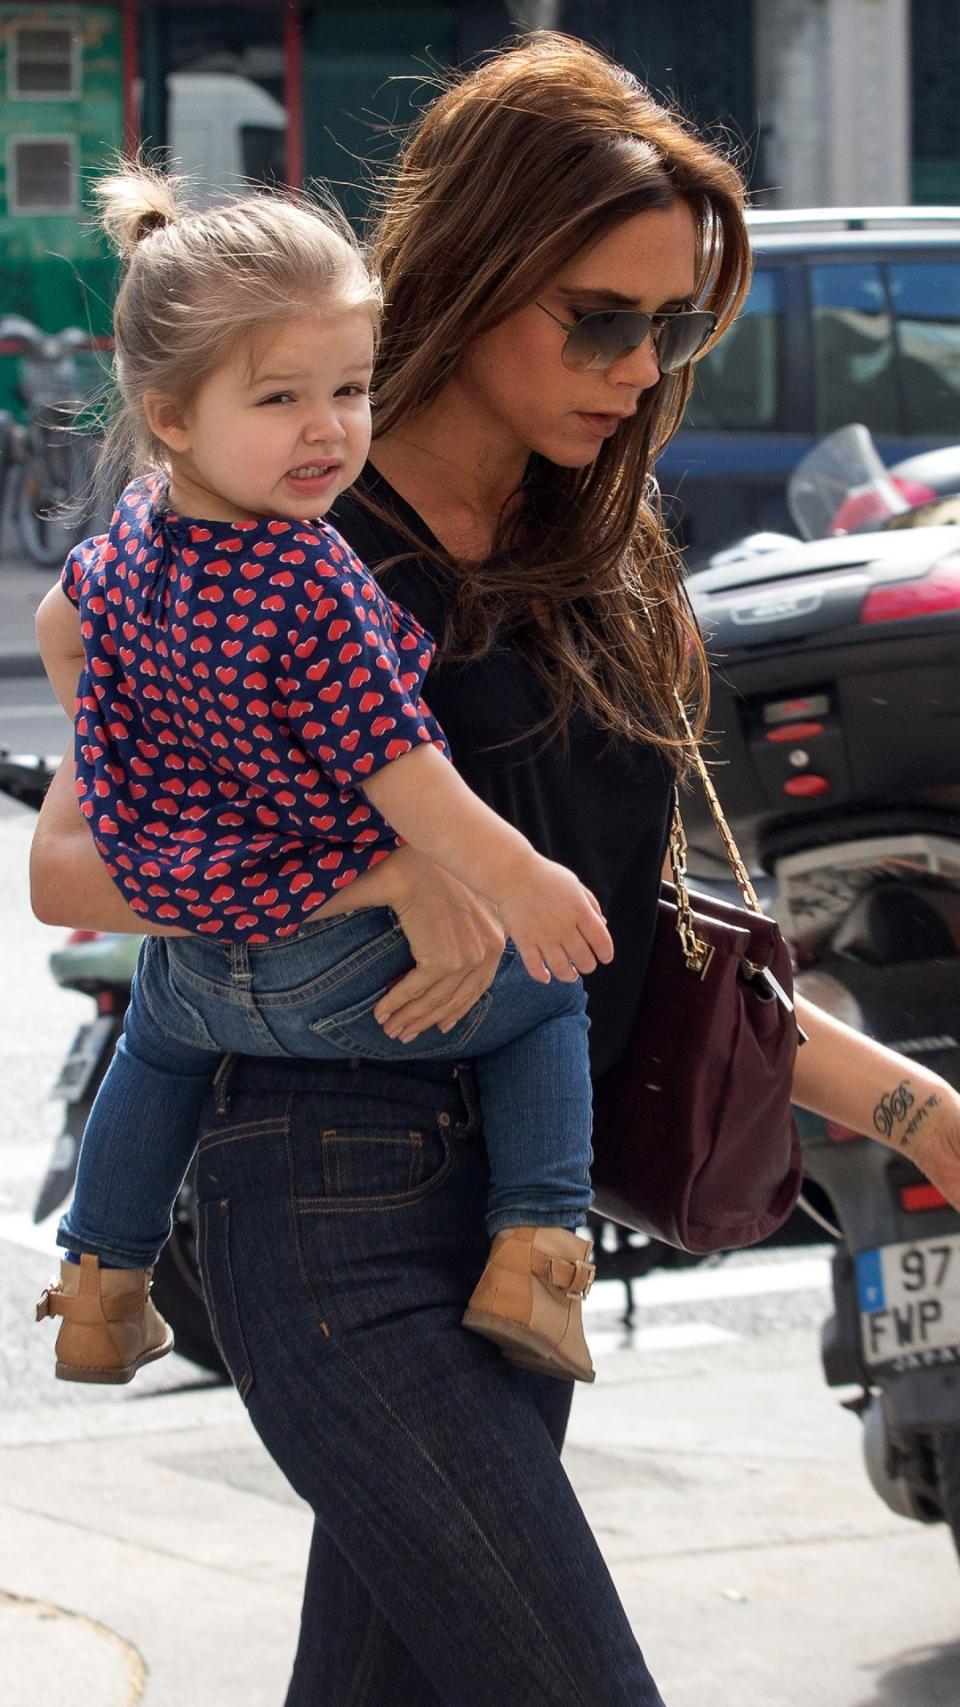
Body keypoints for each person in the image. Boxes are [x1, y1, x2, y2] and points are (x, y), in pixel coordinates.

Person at [28, 32, 960, 1707]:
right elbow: (79, 872)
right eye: (598, 314)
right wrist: (383, 878)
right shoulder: (267, 530)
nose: (635, 362)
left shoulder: (587, 556)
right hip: (322, 1204)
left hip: (518, 1212)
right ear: (474, 268)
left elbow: (628, 945)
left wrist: (922, 1112)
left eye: (668, 326)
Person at [34, 162, 622, 1390]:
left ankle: (100, 1284)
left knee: (152, 1042)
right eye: (283, 397)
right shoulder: (309, 576)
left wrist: (118, 728)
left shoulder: (131, 541)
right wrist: (524, 885)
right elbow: (404, 773)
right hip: (347, 974)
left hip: (199, 967)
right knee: (548, 1007)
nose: (330, 429)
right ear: (173, 412)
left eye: (351, 390)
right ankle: (540, 1253)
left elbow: (58, 623)